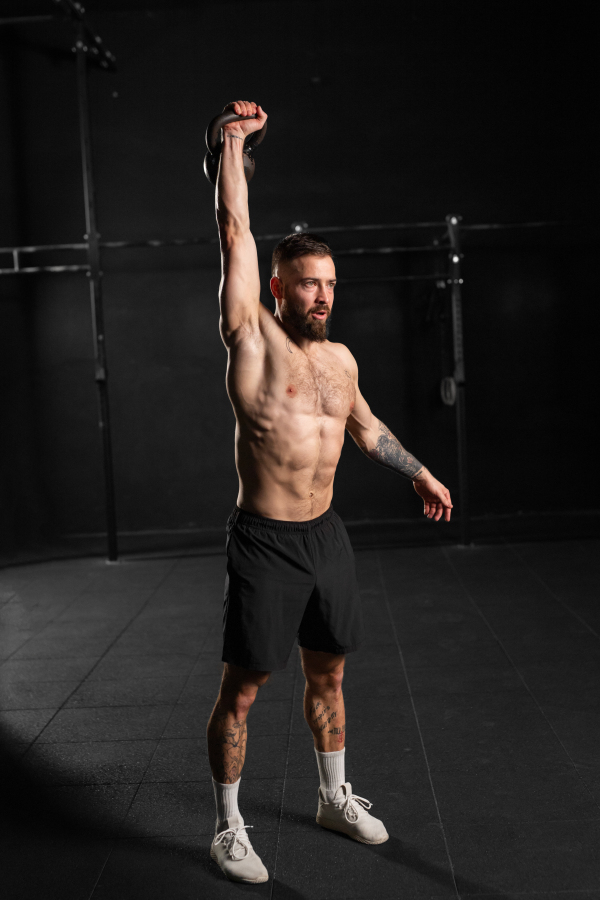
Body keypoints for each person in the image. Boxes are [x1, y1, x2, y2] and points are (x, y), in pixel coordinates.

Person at [207, 100, 453, 884]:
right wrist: (230, 146)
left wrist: (418, 471)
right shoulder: (251, 338)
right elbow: (235, 234)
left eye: (330, 285)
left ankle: (333, 796)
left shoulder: (340, 360)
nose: (322, 296)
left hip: (326, 538)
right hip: (266, 541)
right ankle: (229, 825)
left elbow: (366, 426)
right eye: (308, 283)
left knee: (330, 675)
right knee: (244, 690)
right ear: (277, 286)